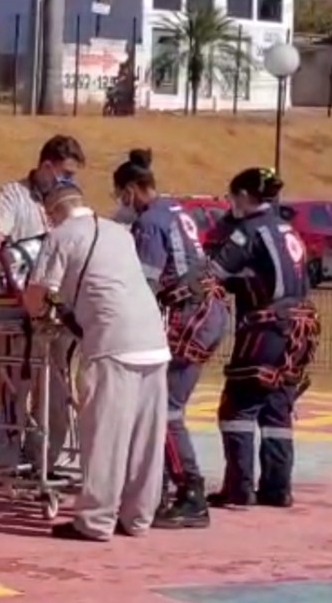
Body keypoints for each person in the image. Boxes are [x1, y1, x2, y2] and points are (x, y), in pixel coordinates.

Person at [22, 182, 171, 542]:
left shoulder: (61, 236)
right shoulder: (120, 232)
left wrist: (39, 311)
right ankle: (137, 518)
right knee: (144, 438)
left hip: (112, 342)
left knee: (106, 434)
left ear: (50, 211)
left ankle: (96, 521)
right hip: (153, 339)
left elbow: (36, 296)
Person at [111, 149, 229, 529]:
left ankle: (189, 490)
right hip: (207, 308)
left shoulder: (150, 223)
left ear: (131, 190)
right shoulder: (177, 209)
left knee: (164, 407)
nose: (120, 204)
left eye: (120, 196)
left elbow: (144, 285)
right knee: (165, 402)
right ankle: (161, 484)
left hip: (190, 314)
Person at [206, 167, 320, 509]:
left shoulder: (249, 232)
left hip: (267, 328)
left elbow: (215, 274)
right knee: (277, 410)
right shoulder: (288, 229)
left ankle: (238, 489)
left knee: (238, 406)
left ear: (243, 196)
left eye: (232, 197)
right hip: (301, 329)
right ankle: (277, 487)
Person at [0, 135, 84, 476]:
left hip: (53, 319)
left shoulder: (68, 201)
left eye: (72, 176)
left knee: (54, 395)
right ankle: (5, 463)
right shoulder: (14, 196)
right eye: (64, 173)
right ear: (46, 166)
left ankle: (43, 462)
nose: (67, 181)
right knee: (12, 392)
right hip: (15, 313)